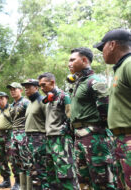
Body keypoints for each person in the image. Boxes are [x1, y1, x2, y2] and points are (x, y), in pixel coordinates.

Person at [68, 47, 116, 189]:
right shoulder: (78, 83)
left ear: (84, 60)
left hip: (95, 137)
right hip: (79, 136)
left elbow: (105, 108)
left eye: (72, 60)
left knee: (102, 179)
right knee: (84, 178)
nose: (69, 63)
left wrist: (96, 130)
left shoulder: (94, 81)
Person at [94, 29, 131, 189]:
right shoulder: (121, 68)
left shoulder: (129, 65)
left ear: (113, 45)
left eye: (102, 48)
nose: (102, 53)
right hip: (121, 141)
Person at [38, 72, 80, 189]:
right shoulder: (48, 99)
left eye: (43, 85)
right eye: (40, 86)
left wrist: (66, 135)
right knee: (52, 175)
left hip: (61, 140)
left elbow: (70, 117)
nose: (42, 88)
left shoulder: (63, 96)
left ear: (52, 82)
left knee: (66, 174)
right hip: (50, 140)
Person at [21, 79, 48, 190]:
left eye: (29, 86)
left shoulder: (42, 101)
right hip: (29, 139)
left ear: (36, 88)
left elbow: (49, 120)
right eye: (25, 87)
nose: (26, 89)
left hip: (40, 139)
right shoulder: (30, 103)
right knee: (32, 169)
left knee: (41, 169)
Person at [6, 82, 30, 190]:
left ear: (20, 90)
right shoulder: (11, 105)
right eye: (11, 89)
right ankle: (18, 182)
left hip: (24, 133)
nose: (12, 91)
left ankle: (28, 185)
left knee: (25, 159)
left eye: (14, 89)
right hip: (14, 133)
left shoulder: (26, 102)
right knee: (14, 159)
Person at [0, 92, 19, 190]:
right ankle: (6, 180)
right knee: (0, 158)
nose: (0, 100)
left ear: (7, 98)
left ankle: (17, 182)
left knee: (12, 157)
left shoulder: (12, 108)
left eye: (2, 98)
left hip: (10, 134)